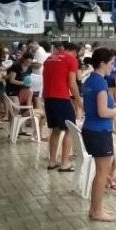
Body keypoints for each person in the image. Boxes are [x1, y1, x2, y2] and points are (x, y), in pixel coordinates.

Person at [81, 48, 116, 221]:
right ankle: (96, 211)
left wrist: (114, 106)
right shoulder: (100, 83)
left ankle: (96, 208)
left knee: (101, 172)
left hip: (91, 129)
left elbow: (93, 106)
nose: (113, 66)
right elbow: (103, 112)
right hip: (99, 131)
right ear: (102, 63)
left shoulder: (90, 80)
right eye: (111, 63)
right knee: (102, 173)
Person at [44, 42, 83, 171]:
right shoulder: (71, 59)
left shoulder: (49, 58)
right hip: (61, 97)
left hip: (48, 98)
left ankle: (52, 161)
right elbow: (72, 83)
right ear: (75, 52)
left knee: (55, 130)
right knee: (70, 129)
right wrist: (79, 101)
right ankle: (65, 163)